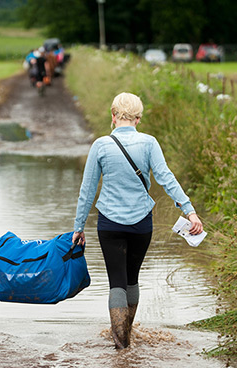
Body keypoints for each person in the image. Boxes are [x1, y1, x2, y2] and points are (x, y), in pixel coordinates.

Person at [72, 92, 203, 349]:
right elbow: (167, 178)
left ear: (113, 115)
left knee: (116, 281)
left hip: (109, 223)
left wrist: (78, 227)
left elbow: (87, 191)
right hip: (141, 223)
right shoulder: (149, 143)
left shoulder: (100, 145)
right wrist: (190, 211)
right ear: (138, 118)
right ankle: (128, 339)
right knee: (132, 278)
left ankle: (121, 346)